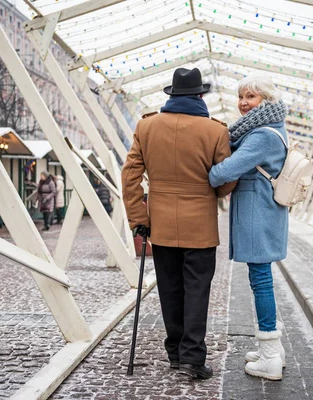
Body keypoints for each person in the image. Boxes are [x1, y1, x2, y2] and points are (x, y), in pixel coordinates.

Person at [122, 68, 236, 380]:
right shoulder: (215, 132)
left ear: (171, 94)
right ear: (201, 95)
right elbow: (226, 183)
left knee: (170, 290)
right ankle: (192, 360)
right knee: (197, 291)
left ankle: (174, 354)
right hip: (200, 226)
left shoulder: (146, 126)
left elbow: (130, 175)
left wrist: (139, 218)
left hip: (160, 226)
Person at [208, 75, 289, 381]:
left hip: (259, 214)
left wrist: (206, 173)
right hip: (265, 211)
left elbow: (225, 172)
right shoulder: (268, 128)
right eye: (241, 96)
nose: (243, 102)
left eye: (251, 96)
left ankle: (269, 357)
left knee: (261, 280)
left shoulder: (261, 136)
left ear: (265, 100)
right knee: (262, 279)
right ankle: (272, 349)